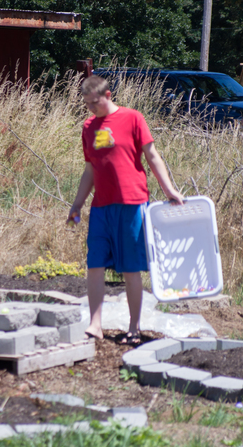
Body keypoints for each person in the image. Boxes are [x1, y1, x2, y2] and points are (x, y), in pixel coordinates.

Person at [68, 75, 183, 345]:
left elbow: (152, 156)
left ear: (108, 95)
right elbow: (90, 170)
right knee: (94, 264)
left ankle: (134, 326)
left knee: (131, 268)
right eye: (86, 104)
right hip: (101, 208)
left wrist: (169, 190)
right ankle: (95, 325)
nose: (91, 108)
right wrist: (77, 205)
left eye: (94, 102)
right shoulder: (88, 127)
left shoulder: (133, 118)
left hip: (132, 204)